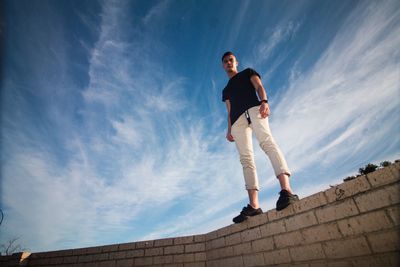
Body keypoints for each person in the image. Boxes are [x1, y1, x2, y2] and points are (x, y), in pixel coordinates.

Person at [221, 51, 299, 224]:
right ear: (223, 65)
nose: (228, 63)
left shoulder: (248, 72)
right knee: (246, 159)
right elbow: (229, 110)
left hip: (255, 110)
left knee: (267, 143)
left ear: (236, 62)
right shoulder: (225, 90)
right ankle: (254, 205)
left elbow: (259, 87)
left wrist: (264, 101)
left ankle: (286, 190)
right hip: (237, 122)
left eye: (231, 60)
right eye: (225, 61)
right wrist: (229, 129)